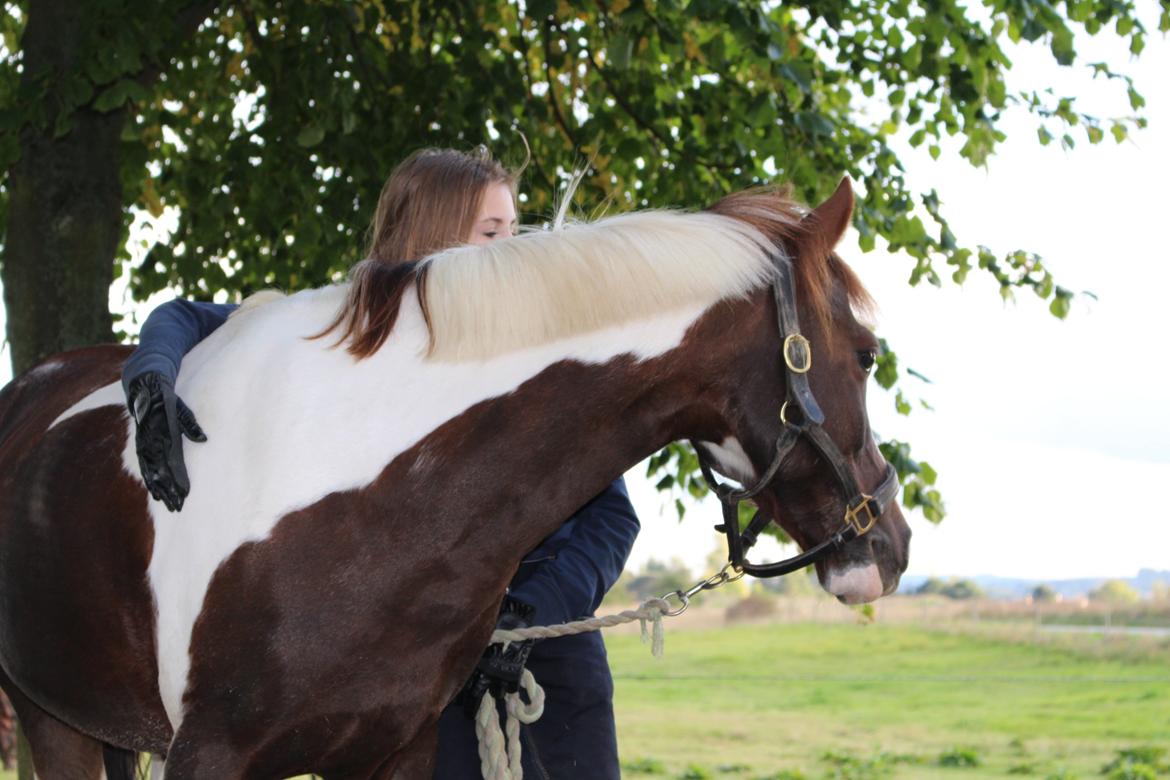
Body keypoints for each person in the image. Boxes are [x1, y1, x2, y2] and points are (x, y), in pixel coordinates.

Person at [121, 147, 639, 779]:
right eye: (492, 233)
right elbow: (185, 316)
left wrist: (532, 612)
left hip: (551, 663)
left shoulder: (547, 365)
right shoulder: (350, 335)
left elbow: (611, 517)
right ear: (433, 232)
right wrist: (152, 375)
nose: (515, 249)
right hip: (421, 671)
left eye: (515, 229)